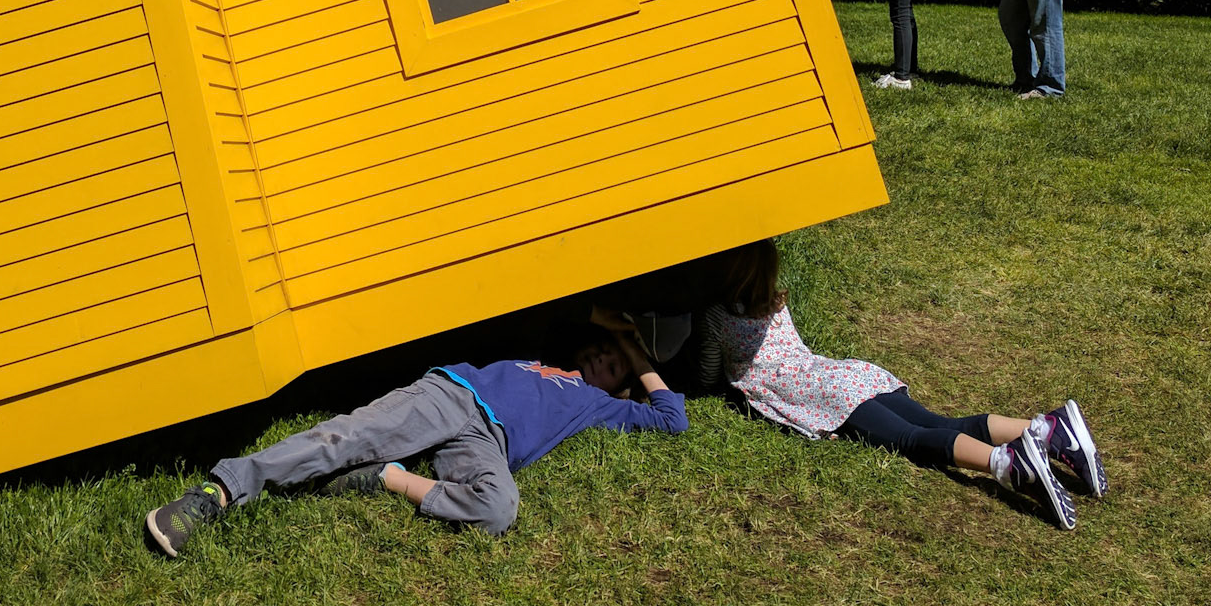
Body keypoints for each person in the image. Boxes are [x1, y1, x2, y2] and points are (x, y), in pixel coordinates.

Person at [144, 318, 685, 556]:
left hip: (488, 445)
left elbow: (671, 419)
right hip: (454, 395)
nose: (603, 358)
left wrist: (634, 353)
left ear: (622, 385)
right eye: (603, 349)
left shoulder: (600, 405)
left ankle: (387, 478)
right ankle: (219, 492)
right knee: (344, 437)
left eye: (614, 364)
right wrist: (613, 332)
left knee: (499, 509)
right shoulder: (540, 355)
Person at [697, 241, 1106, 532]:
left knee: (911, 439)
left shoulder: (716, 314)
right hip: (846, 374)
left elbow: (707, 376)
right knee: (939, 422)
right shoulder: (774, 301)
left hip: (824, 396)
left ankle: (1008, 465)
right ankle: (1047, 430)